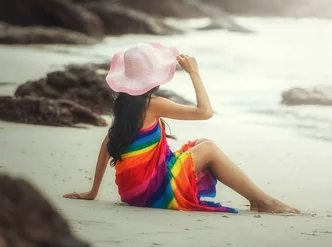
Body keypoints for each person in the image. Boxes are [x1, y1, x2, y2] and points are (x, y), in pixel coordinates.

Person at [63, 42, 300, 214]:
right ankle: (263, 201)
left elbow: (107, 143)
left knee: (202, 144)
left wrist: (93, 191)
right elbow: (205, 112)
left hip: (133, 192)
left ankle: (258, 201)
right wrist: (194, 74)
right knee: (210, 149)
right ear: (153, 77)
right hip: (153, 193)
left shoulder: (123, 104)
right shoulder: (152, 104)